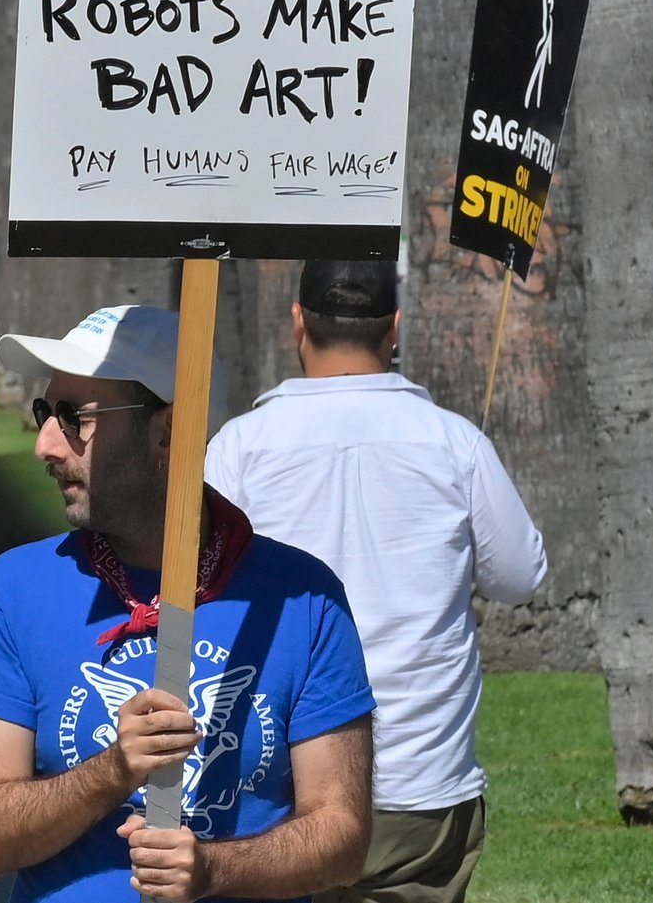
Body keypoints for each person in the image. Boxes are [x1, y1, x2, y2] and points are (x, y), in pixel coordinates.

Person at [0, 304, 377, 903]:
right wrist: (112, 771)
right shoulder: (12, 590)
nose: (45, 444)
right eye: (46, 412)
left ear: (168, 432)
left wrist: (213, 871)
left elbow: (344, 839)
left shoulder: (301, 598)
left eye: (75, 417)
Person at [205, 260, 548, 903]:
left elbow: (199, 591)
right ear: (394, 327)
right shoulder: (454, 443)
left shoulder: (238, 448)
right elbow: (520, 574)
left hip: (282, 782)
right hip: (418, 782)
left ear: (298, 322)